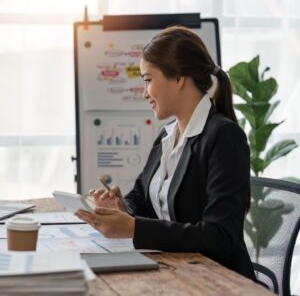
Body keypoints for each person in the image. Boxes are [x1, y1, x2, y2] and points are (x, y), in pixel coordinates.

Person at [75, 26, 256, 281]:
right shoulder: (167, 134)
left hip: (218, 280)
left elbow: (221, 236)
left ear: (179, 78)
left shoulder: (224, 137)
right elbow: (143, 195)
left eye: (148, 80)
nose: (144, 92)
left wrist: (136, 228)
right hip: (177, 271)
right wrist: (122, 207)